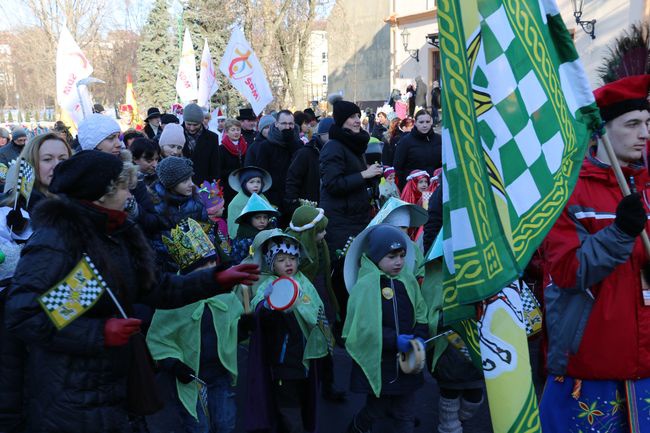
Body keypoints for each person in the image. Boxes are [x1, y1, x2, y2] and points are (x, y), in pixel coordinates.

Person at [3, 151, 260, 432]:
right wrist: (99, 332)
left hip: (117, 385)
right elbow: (24, 315)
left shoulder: (117, 231)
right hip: (72, 394)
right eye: (125, 187)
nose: (131, 196)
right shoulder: (57, 239)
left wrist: (216, 279)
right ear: (101, 193)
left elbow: (157, 288)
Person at [540, 75, 650, 431]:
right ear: (602, 131)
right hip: (590, 370)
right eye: (632, 124)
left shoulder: (647, 187)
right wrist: (620, 233)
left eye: (648, 124)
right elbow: (570, 270)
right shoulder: (567, 192)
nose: (644, 134)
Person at [147, 218, 243, 433]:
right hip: (190, 378)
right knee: (198, 426)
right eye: (202, 266)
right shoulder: (173, 300)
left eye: (212, 263)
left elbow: (233, 322)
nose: (210, 269)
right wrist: (173, 365)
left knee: (226, 423)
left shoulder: (223, 293)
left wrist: (244, 325)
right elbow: (158, 338)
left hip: (219, 374)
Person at [343, 224, 428, 433]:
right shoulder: (365, 285)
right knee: (376, 409)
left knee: (405, 412)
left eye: (401, 255)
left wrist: (420, 336)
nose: (399, 262)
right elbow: (361, 328)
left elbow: (420, 311)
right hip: (380, 363)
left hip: (407, 362)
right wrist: (394, 339)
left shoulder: (407, 279)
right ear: (375, 257)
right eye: (391, 256)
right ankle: (357, 427)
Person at [245, 230, 329, 433]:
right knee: (289, 413)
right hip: (283, 363)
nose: (289, 263)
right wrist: (269, 306)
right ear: (271, 263)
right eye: (281, 259)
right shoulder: (268, 287)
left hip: (306, 360)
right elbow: (260, 322)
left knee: (303, 405)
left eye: (292, 258)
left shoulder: (305, 283)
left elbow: (317, 312)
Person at [320, 94, 382, 318]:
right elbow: (333, 184)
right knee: (342, 275)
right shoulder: (334, 147)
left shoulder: (355, 145)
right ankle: (342, 325)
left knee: (356, 272)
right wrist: (364, 174)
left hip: (357, 218)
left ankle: (357, 321)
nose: (357, 120)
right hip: (340, 223)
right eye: (351, 117)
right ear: (340, 121)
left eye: (358, 115)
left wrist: (371, 178)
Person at [286, 204, 346, 402]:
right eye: (320, 231)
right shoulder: (292, 251)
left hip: (322, 298)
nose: (325, 234)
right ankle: (307, 389)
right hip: (303, 302)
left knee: (326, 346)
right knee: (307, 347)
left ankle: (328, 386)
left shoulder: (321, 245)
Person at [151, 156, 208, 272]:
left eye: (191, 178)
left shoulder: (196, 201)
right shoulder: (156, 206)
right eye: (185, 180)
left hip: (197, 263)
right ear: (171, 183)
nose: (191, 184)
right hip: (168, 266)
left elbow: (205, 228)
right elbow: (155, 239)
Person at [247, 110, 302, 225]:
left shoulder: (298, 144)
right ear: (276, 124)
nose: (287, 127)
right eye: (284, 123)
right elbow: (261, 173)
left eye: (290, 124)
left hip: (294, 196)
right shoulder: (265, 146)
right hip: (274, 197)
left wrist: (291, 142)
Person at [284, 117, 333, 216]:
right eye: (330, 134)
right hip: (310, 206)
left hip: (331, 206)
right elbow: (293, 178)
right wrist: (293, 203)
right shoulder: (306, 152)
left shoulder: (336, 151)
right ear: (321, 134)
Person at [394, 110, 441, 188]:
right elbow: (398, 167)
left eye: (427, 122)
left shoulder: (439, 139)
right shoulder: (405, 141)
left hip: (434, 186)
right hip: (413, 188)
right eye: (421, 122)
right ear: (415, 123)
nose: (425, 125)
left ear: (431, 122)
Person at [226, 166, 273, 240]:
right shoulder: (236, 203)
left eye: (258, 182)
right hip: (244, 240)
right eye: (251, 182)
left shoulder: (263, 200)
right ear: (244, 183)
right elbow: (233, 230)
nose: (256, 185)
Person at [230, 193, 278, 265]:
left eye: (265, 217)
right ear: (249, 219)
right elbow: (237, 260)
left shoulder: (272, 232)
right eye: (257, 217)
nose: (262, 221)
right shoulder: (244, 240)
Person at [183, 103, 220, 185]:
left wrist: (213, 186)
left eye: (195, 125)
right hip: (181, 185)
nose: (192, 128)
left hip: (203, 186)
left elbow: (215, 166)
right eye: (188, 124)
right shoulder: (177, 134)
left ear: (201, 122)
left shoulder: (212, 138)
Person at [218, 119, 248, 206]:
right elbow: (219, 170)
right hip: (228, 186)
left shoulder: (245, 146)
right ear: (227, 132)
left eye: (238, 130)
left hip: (243, 184)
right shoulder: (221, 149)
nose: (236, 132)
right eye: (233, 130)